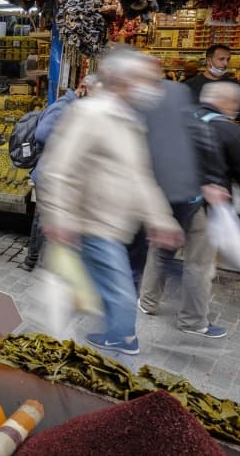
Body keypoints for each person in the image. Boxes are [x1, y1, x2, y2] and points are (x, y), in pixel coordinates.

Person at [37, 47, 183, 355]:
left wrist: (160, 219)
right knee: (118, 294)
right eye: (143, 79)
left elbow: (139, 176)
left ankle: (69, 343)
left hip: (115, 226)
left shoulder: (129, 120)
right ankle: (117, 343)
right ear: (119, 78)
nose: (151, 87)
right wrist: (58, 218)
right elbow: (58, 168)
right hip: (90, 224)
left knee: (85, 292)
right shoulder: (90, 113)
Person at [136, 72, 229, 338]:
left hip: (167, 202)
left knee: (161, 251)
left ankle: (147, 302)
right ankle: (193, 321)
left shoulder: (150, 125)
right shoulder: (192, 122)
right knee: (198, 262)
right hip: (188, 202)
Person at [21, 74, 100, 272]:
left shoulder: (76, 107)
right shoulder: (64, 105)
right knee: (44, 219)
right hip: (49, 172)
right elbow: (41, 134)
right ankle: (38, 262)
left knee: (45, 218)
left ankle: (33, 260)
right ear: (83, 88)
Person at [195, 82, 240, 203]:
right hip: (213, 197)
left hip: (182, 193)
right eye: (236, 102)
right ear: (226, 101)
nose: (237, 108)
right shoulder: (231, 131)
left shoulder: (188, 117)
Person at [185, 44, 240, 121]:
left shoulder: (233, 84)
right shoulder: (190, 85)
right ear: (208, 61)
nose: (225, 64)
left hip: (223, 130)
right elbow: (183, 113)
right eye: (221, 59)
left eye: (228, 60)